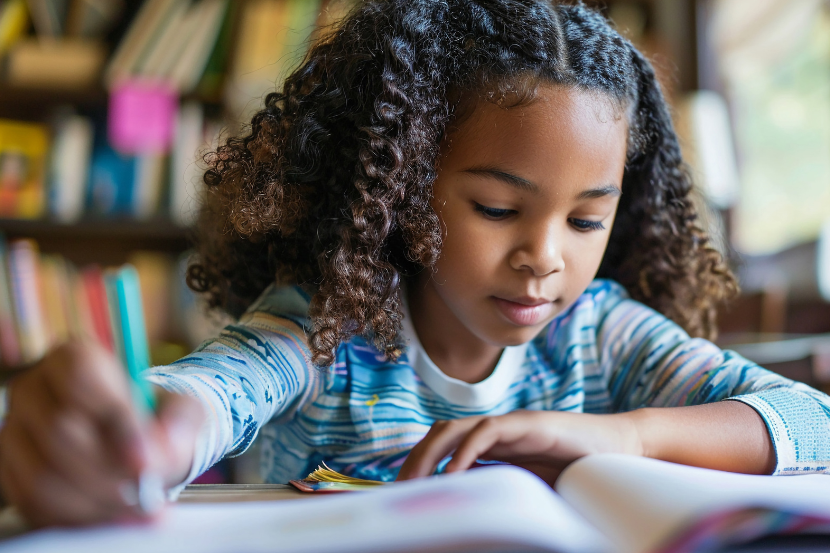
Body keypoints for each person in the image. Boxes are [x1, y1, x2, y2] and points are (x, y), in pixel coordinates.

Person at [2, 0, 829, 528]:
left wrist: (607, 435)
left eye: (586, 218)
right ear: (401, 186)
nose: (544, 257)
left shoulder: (601, 330)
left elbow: (813, 423)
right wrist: (145, 436)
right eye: (498, 209)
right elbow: (217, 393)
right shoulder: (327, 328)